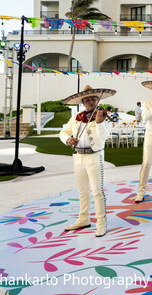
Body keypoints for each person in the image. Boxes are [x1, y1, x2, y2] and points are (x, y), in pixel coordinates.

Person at [59, 85, 116, 237]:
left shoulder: (103, 116)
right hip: (78, 157)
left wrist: (99, 122)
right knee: (82, 191)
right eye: (87, 100)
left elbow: (103, 137)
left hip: (94, 156)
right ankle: (83, 219)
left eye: (94, 99)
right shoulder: (77, 117)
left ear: (98, 100)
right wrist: (68, 139)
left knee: (97, 192)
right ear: (83, 103)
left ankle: (101, 222)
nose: (91, 102)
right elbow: (63, 132)